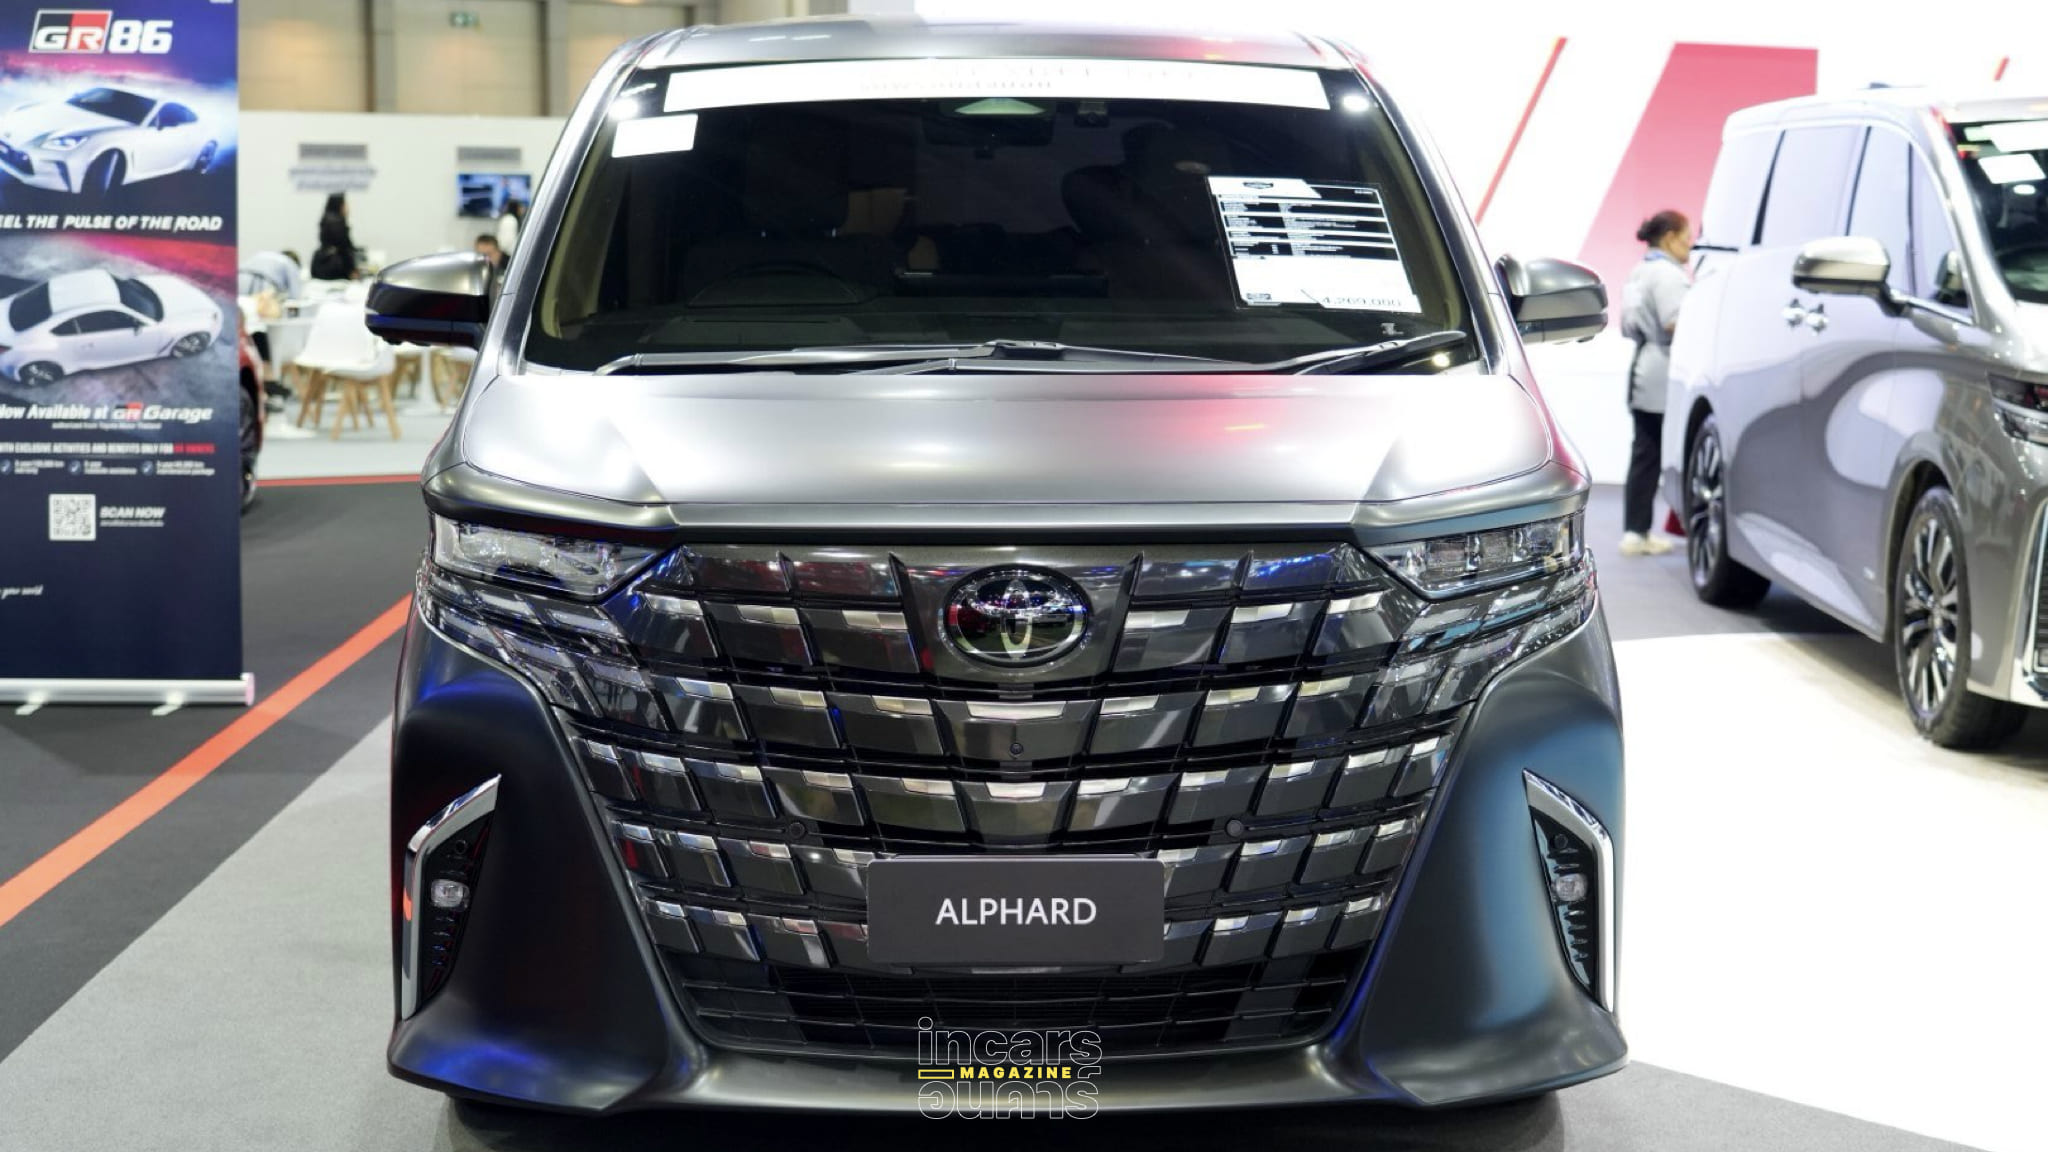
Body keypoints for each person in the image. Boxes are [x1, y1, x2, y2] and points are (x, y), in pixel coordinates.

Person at [1617, 209, 1692, 557]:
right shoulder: (1667, 274)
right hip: (1663, 370)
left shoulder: (1640, 270)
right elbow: (1674, 320)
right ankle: (1639, 531)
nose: (1690, 246)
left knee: (1645, 453)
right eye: (1687, 238)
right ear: (1670, 238)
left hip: (1645, 368)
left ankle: (1637, 530)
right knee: (1653, 454)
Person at [311, 193, 358, 281]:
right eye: (345, 204)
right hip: (335, 268)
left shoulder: (325, 220)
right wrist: (352, 269)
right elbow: (344, 248)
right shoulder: (338, 222)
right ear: (339, 205)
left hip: (321, 265)